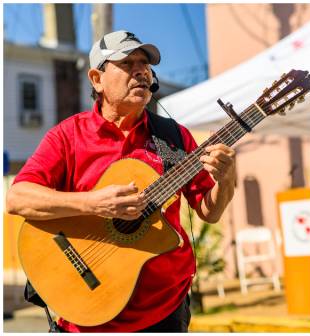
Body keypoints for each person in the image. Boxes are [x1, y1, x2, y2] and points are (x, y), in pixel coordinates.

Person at [6, 30, 236, 332]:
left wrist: (227, 178)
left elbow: (210, 211)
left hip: (164, 310)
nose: (141, 70)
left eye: (145, 64)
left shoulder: (174, 137)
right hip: (84, 313)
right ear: (96, 79)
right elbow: (17, 198)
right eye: (127, 63)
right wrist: (94, 203)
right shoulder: (67, 136)